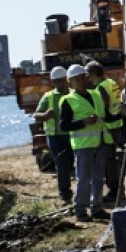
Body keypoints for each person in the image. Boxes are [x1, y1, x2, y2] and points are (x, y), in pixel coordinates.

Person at [59, 64, 121, 222]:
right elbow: (63, 126)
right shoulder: (67, 100)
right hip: (83, 145)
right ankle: (80, 210)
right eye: (76, 79)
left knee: (99, 178)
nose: (80, 81)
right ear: (70, 82)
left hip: (100, 142)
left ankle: (97, 208)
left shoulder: (96, 95)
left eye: (82, 78)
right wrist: (83, 122)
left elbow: (106, 117)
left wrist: (122, 114)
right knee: (84, 179)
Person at [31, 66, 73, 205]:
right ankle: (65, 195)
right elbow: (36, 115)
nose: (60, 84)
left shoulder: (73, 94)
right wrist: (44, 115)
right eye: (57, 81)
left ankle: (83, 194)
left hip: (74, 135)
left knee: (79, 165)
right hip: (55, 137)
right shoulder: (48, 97)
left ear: (66, 80)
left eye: (62, 81)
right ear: (53, 82)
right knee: (62, 166)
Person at [84, 60, 122, 203]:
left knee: (109, 161)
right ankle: (117, 189)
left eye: (89, 75)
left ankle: (115, 190)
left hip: (109, 127)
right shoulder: (111, 82)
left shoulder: (101, 88)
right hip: (117, 124)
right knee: (112, 159)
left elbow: (105, 108)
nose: (88, 79)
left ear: (94, 74)